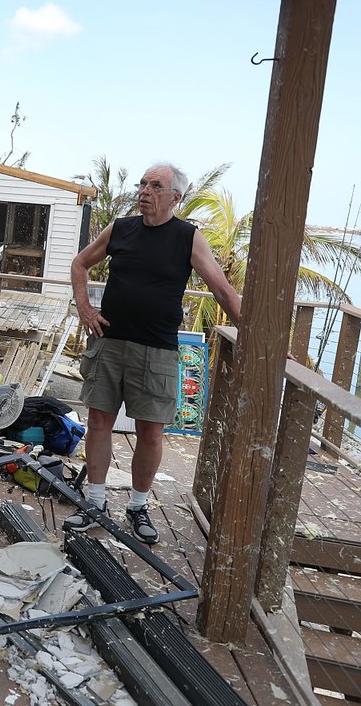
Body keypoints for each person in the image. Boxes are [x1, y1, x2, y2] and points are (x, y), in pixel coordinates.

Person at [65, 162, 242, 544]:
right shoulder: (121, 228)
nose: (145, 190)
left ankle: (138, 506)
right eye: (143, 184)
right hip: (109, 343)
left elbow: (224, 292)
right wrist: (85, 309)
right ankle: (95, 502)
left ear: (175, 197)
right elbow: (80, 263)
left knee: (151, 434)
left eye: (155, 186)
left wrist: (261, 340)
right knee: (98, 423)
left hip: (158, 350)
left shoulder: (188, 238)